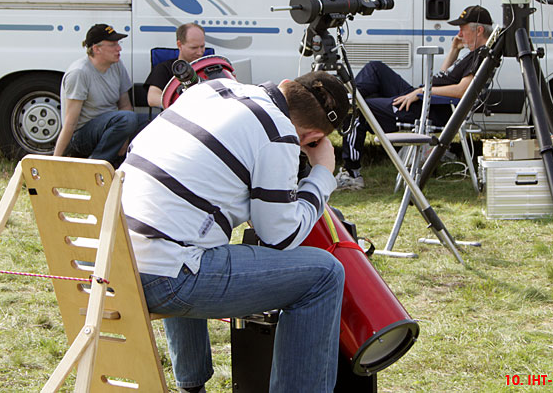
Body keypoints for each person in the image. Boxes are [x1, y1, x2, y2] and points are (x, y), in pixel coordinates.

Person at [120, 71, 351, 393]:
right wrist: (322, 173)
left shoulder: (210, 89)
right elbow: (281, 237)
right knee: (324, 274)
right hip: (163, 278)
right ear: (312, 137)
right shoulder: (278, 132)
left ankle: (192, 387)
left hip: (112, 263)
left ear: (286, 83)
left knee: (183, 239)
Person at [336, 5, 494, 190]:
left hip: (429, 108)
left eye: (462, 29)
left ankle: (352, 175)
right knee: (375, 68)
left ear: (479, 30)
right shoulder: (472, 55)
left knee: (358, 112)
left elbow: (462, 91)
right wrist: (454, 50)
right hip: (425, 99)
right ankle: (345, 98)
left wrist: (421, 92)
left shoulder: (481, 57)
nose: (459, 33)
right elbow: (442, 78)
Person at [53, 24, 147, 167]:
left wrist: (125, 139)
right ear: (96, 49)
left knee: (156, 121)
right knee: (127, 119)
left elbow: (125, 105)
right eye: (113, 45)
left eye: (118, 43)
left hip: (114, 124)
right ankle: (94, 167)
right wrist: (55, 161)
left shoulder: (117, 65)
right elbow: (70, 122)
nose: (119, 48)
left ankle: (135, 166)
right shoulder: (79, 72)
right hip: (82, 136)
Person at [144, 22, 208, 108]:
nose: (200, 52)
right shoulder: (164, 68)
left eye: (202, 46)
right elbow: (152, 99)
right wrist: (181, 105)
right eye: (194, 48)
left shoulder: (212, 67)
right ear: (179, 45)